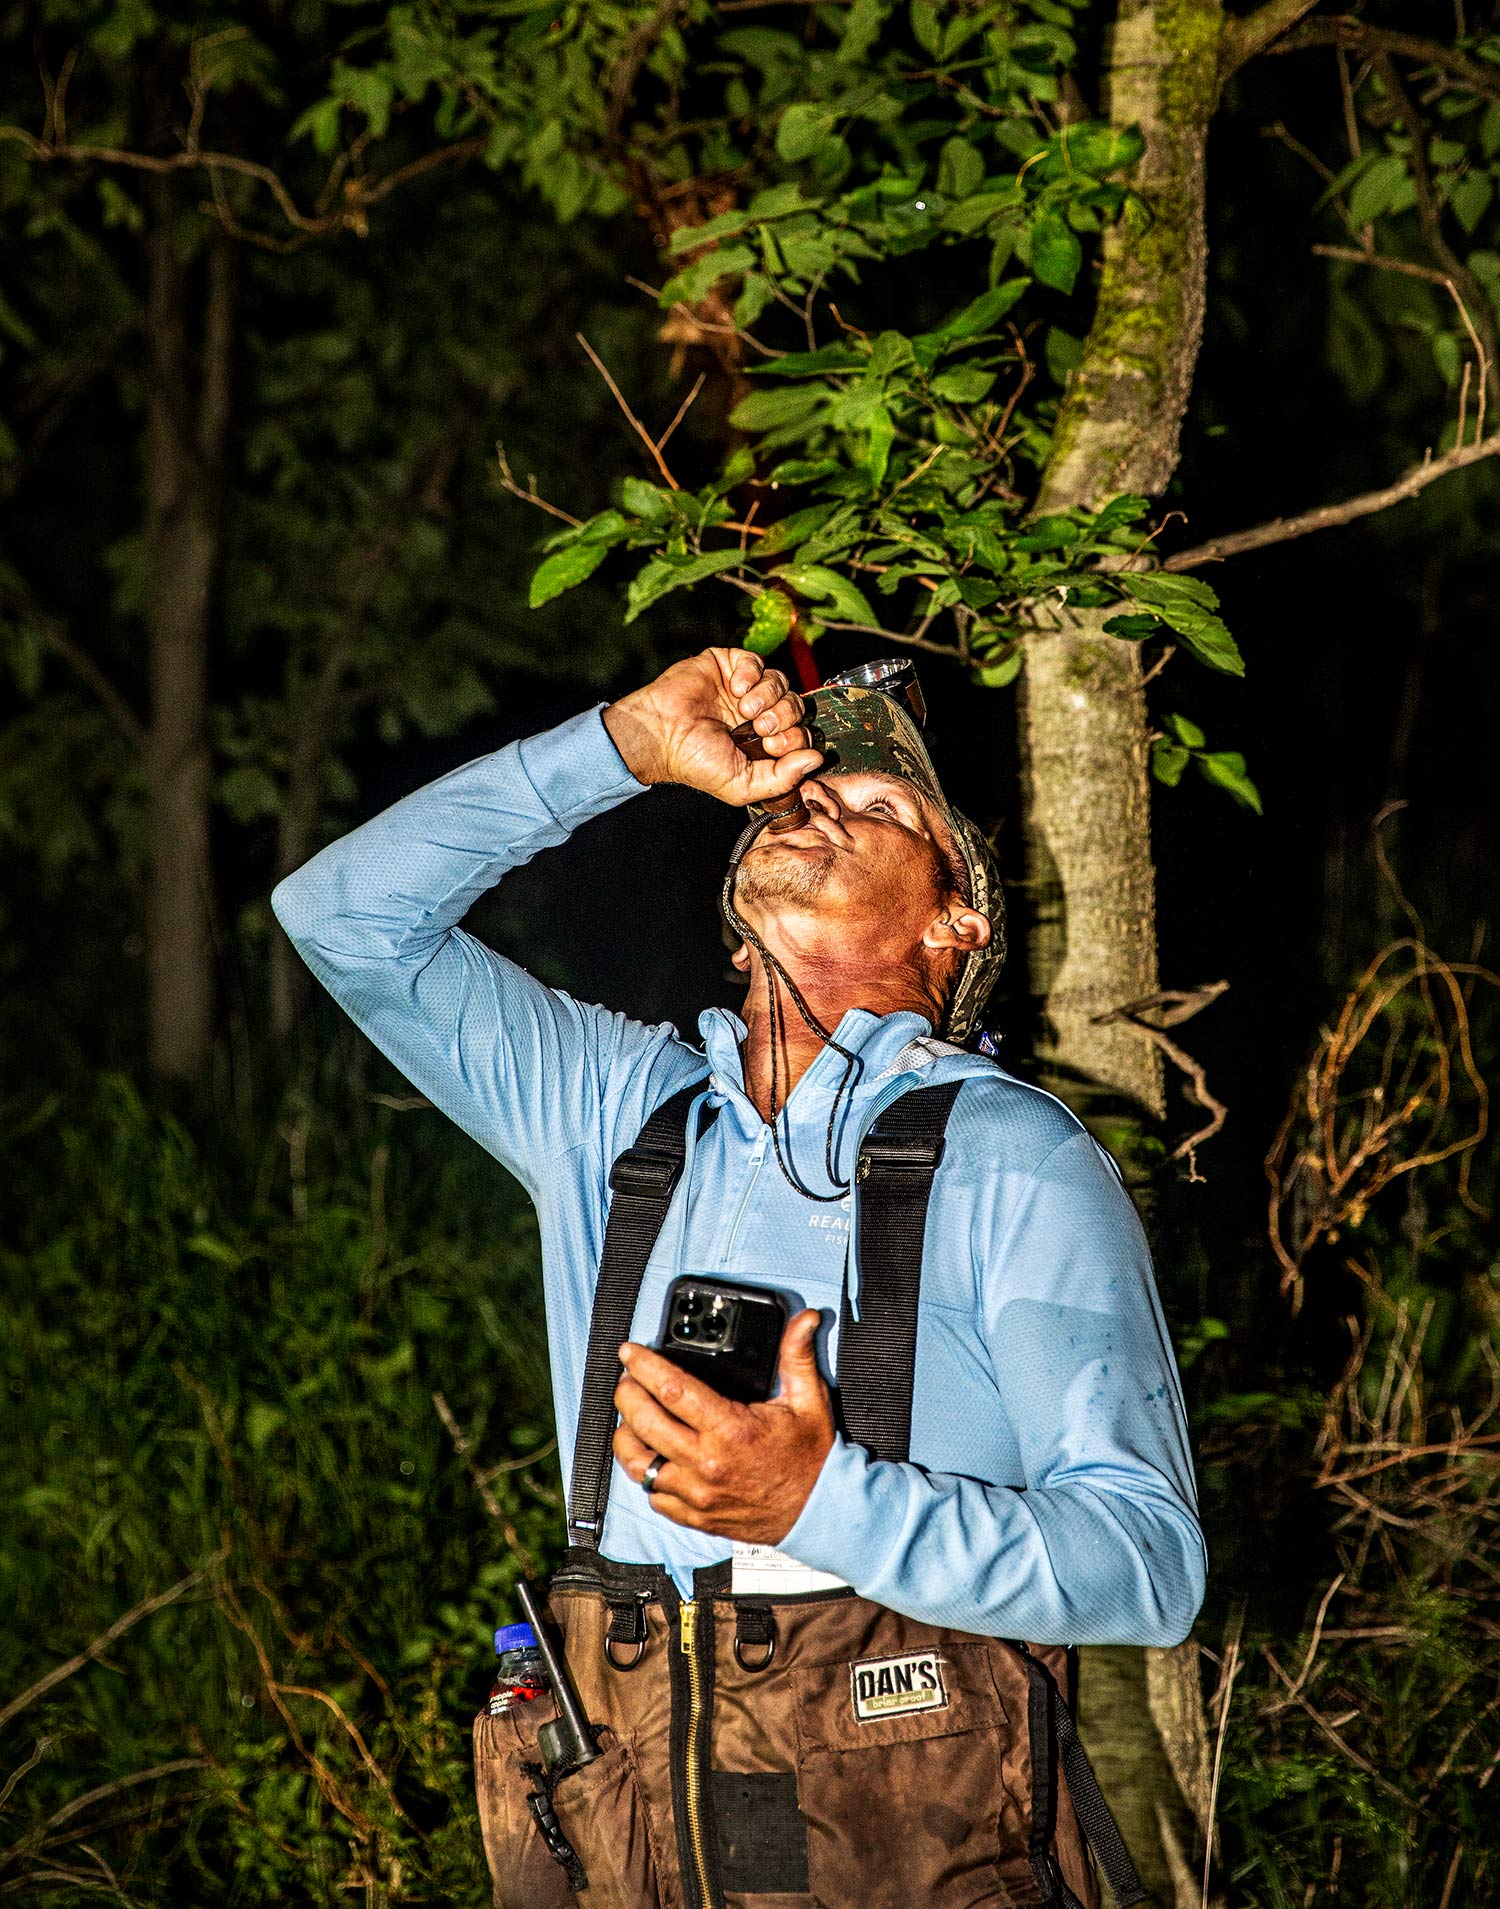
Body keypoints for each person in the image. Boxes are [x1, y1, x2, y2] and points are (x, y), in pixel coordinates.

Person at [273, 646, 1205, 1909]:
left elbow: (1150, 1564)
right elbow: (340, 915)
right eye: (799, 794)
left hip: (900, 1822)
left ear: (956, 924)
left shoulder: (1014, 1154)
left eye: (879, 806)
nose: (816, 802)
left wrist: (820, 1500)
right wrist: (621, 745)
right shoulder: (612, 1112)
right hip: (630, 1806)